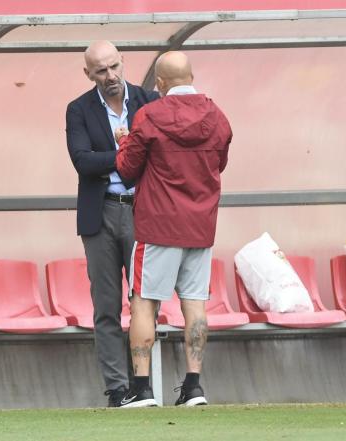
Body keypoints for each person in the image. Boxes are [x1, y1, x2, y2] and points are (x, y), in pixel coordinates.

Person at [114, 51, 232, 407]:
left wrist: (123, 141)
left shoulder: (148, 116)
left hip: (158, 226)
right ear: (192, 76)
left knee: (143, 304)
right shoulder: (218, 116)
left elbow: (127, 169)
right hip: (200, 226)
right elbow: (219, 163)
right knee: (195, 305)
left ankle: (142, 388)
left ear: (160, 83)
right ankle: (194, 387)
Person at [65, 40, 159, 407]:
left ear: (124, 63)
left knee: (144, 303)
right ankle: (117, 390)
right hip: (100, 213)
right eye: (101, 71)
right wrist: (127, 151)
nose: (111, 76)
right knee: (106, 306)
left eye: (114, 67)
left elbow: (163, 153)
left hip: (142, 211)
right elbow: (82, 161)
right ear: (89, 74)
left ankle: (142, 385)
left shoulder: (149, 101)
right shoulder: (79, 110)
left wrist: (117, 153)